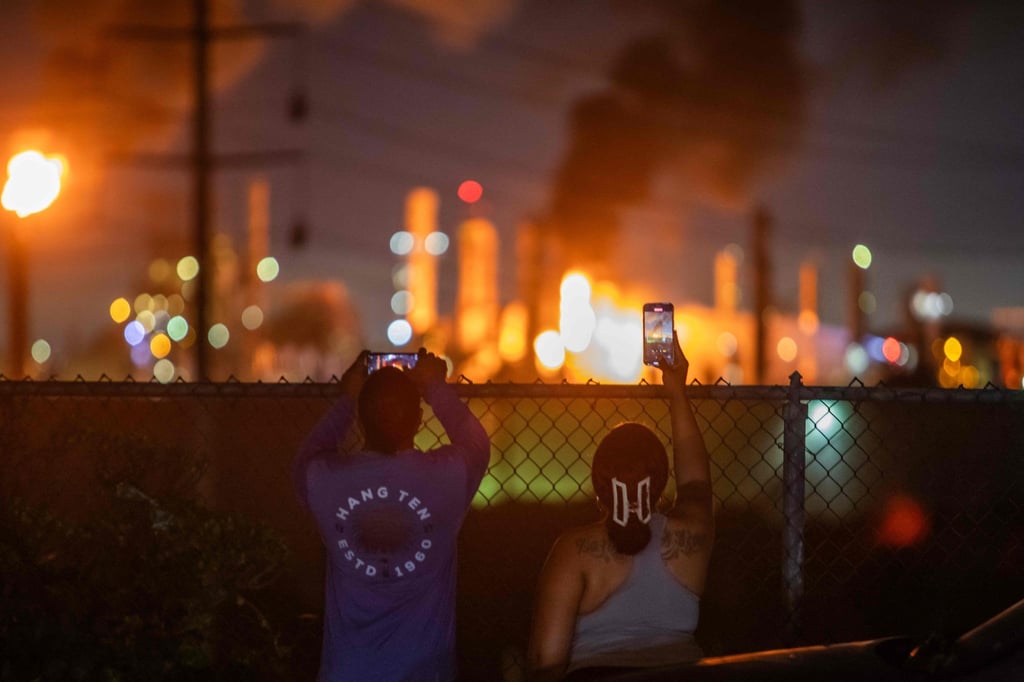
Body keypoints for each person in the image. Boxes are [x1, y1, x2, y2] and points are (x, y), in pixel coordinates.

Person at [294, 348, 490, 681]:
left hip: (347, 671)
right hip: (426, 671)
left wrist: (346, 401)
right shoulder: (446, 478)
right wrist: (434, 387)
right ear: (418, 420)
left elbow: (305, 459)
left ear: (360, 418)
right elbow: (476, 443)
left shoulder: (323, 479)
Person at [527, 336, 714, 680]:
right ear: (660, 481)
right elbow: (696, 485)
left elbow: (546, 660)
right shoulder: (693, 535)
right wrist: (676, 392)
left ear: (599, 485)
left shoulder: (574, 551)